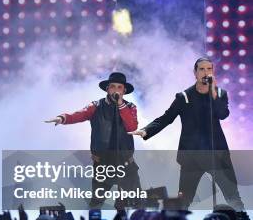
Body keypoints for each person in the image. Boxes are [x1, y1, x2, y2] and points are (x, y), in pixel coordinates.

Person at [130, 57, 244, 210]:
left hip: (217, 154)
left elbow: (222, 114)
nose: (206, 72)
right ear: (195, 73)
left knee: (233, 196)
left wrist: (213, 93)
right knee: (184, 200)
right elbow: (166, 118)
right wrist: (146, 130)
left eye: (209, 69)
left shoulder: (220, 93)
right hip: (192, 156)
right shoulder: (184, 97)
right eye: (202, 69)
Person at [45, 72, 141, 208]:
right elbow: (80, 114)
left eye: (120, 87)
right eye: (113, 86)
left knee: (134, 203)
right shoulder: (96, 106)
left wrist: (120, 105)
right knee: (96, 204)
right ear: (107, 89)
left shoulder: (130, 107)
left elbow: (132, 126)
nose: (116, 90)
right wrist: (63, 118)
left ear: (124, 91)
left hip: (126, 165)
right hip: (102, 165)